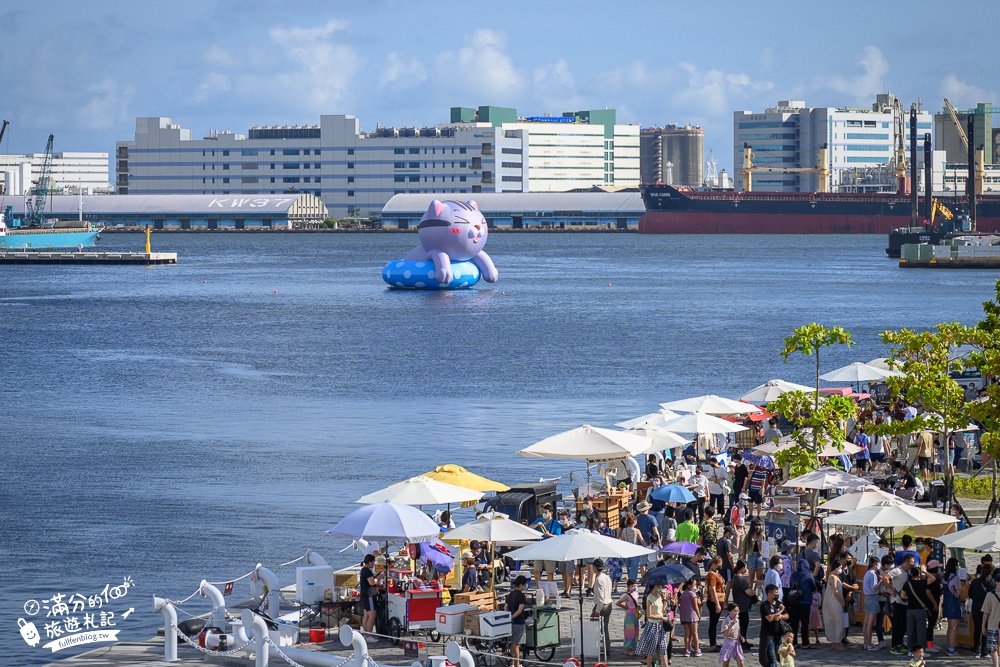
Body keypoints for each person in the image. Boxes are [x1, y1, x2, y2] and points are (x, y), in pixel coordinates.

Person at [637, 583, 671, 667]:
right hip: (653, 625)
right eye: (659, 585)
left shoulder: (659, 596)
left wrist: (665, 600)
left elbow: (662, 610)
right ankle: (649, 665)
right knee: (651, 649)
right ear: (655, 586)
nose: (660, 587)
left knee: (663, 647)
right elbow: (649, 615)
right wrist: (661, 617)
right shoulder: (649, 597)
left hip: (660, 625)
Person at [888, 552, 916, 655]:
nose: (913, 564)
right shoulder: (897, 570)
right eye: (912, 562)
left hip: (906, 602)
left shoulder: (908, 571)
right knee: (897, 625)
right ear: (906, 562)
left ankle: (900, 643)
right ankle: (894, 646)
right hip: (898, 601)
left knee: (903, 625)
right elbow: (885, 578)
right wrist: (892, 590)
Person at [529, 504, 562, 588]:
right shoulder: (540, 520)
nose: (544, 514)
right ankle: (538, 587)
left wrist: (549, 535)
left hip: (549, 549)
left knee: (550, 571)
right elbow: (529, 527)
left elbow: (559, 536)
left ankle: (550, 588)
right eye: (543, 512)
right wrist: (537, 525)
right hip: (539, 548)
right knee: (537, 570)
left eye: (546, 512)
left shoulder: (555, 523)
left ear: (551, 513)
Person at [728, 559, 755, 650]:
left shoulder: (735, 577)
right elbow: (748, 592)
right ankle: (742, 641)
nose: (746, 570)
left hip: (739, 604)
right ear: (742, 568)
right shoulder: (740, 579)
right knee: (743, 624)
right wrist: (754, 592)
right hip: (742, 606)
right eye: (745, 568)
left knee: (742, 624)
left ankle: (744, 640)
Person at [789, 559, 816, 649]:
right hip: (805, 602)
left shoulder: (793, 575)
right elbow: (814, 587)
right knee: (805, 623)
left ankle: (794, 642)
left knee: (794, 623)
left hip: (794, 601)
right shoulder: (808, 575)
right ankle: (805, 643)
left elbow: (790, 585)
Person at [760, 583, 788, 667]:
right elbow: (769, 618)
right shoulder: (765, 605)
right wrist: (780, 611)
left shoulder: (778, 603)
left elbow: (787, 615)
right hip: (768, 635)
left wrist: (781, 616)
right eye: (775, 593)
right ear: (769, 594)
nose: (777, 594)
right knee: (771, 658)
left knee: (777, 656)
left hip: (778, 635)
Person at [971, 564, 996, 658]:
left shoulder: (975, 581)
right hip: (988, 608)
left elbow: (970, 594)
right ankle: (984, 651)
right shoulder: (992, 582)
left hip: (976, 607)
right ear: (991, 572)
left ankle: (976, 650)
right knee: (986, 628)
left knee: (977, 629)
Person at [822, 559, 847, 650]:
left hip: (833, 600)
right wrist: (841, 601)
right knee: (838, 620)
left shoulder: (835, 576)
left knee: (835, 620)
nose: (841, 570)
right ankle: (837, 642)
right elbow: (835, 591)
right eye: (840, 568)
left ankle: (836, 641)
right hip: (834, 601)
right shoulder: (833, 577)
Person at [590, 559, 613, 657]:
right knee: (605, 629)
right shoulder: (607, 577)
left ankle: (593, 647)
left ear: (595, 567)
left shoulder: (599, 579)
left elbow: (600, 597)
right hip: (609, 604)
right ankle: (607, 649)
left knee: (593, 626)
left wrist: (597, 611)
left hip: (602, 606)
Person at [903, 566, 929, 653]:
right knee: (921, 631)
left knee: (910, 630)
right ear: (918, 574)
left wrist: (910, 597)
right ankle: (921, 651)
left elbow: (903, 596)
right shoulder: (921, 583)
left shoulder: (907, 583)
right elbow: (933, 578)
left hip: (910, 610)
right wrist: (924, 571)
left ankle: (911, 649)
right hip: (919, 610)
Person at [941, 557, 963, 655]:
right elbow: (958, 592)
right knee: (954, 627)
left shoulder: (944, 576)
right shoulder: (956, 578)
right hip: (954, 604)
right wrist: (965, 585)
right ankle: (951, 648)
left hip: (946, 603)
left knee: (949, 627)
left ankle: (948, 647)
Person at [359, 553, 384, 639]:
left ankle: (366, 633)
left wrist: (376, 577)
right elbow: (372, 582)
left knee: (366, 614)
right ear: (369, 562)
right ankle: (369, 635)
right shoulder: (368, 571)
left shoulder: (363, 570)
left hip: (364, 594)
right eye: (373, 562)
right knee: (372, 615)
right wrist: (379, 577)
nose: (374, 564)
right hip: (369, 595)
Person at [506, 575, 528, 667]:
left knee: (512, 644)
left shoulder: (510, 594)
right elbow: (520, 610)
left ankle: (511, 663)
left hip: (511, 624)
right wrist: (513, 617)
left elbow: (505, 607)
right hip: (519, 623)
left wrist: (509, 616)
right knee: (516, 646)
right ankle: (517, 665)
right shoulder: (522, 596)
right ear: (521, 585)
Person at [706, 556, 727, 652]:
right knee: (713, 624)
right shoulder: (711, 575)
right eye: (718, 564)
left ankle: (714, 643)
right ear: (713, 564)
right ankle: (712, 645)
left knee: (715, 623)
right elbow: (712, 590)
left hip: (720, 599)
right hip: (714, 601)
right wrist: (717, 604)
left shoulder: (716, 573)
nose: (720, 566)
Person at [862, 556, 883, 650]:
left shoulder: (867, 573)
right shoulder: (872, 574)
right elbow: (874, 588)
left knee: (866, 622)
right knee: (870, 623)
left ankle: (866, 642)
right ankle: (869, 643)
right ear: (875, 564)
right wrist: (881, 581)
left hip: (867, 598)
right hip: (872, 598)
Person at [616, 578, 641, 655]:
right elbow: (618, 603)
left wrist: (638, 606)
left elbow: (636, 601)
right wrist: (625, 607)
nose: (634, 587)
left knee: (636, 631)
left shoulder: (636, 593)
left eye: (635, 586)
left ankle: (633, 647)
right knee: (629, 632)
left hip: (635, 613)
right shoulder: (626, 595)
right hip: (629, 614)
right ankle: (628, 648)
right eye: (633, 586)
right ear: (628, 586)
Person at [619, 512, 646, 582]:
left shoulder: (624, 530)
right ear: (634, 522)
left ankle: (630, 580)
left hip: (627, 550)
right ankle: (632, 581)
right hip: (634, 550)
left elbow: (622, 540)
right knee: (634, 567)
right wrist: (647, 546)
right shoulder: (636, 530)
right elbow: (642, 541)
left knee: (628, 567)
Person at [679, 578, 702, 656]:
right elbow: (695, 606)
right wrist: (699, 615)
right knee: (695, 633)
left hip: (684, 616)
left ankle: (687, 650)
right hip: (692, 615)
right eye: (693, 585)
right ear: (688, 585)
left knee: (687, 634)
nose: (694, 586)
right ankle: (697, 649)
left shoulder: (683, 594)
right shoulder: (693, 594)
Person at [981, 572, 1000, 667]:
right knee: (993, 649)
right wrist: (983, 626)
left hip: (994, 625)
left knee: (994, 649)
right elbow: (986, 611)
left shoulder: (990, 595)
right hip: (993, 625)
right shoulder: (990, 595)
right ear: (996, 582)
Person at [720, 602, 746, 667]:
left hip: (737, 642)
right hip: (728, 642)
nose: (736, 613)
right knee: (726, 661)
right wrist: (731, 625)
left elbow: (737, 630)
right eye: (734, 611)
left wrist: (740, 636)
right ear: (729, 612)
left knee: (741, 661)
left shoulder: (737, 620)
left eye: (737, 611)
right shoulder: (726, 621)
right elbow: (725, 634)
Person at [924, 559, 942, 653]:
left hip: (935, 603)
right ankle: (929, 645)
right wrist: (934, 602)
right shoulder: (930, 580)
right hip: (930, 605)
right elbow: (928, 592)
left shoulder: (937, 578)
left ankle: (931, 643)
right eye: (938, 567)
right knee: (930, 625)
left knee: (932, 623)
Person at [741, 520, 765, 588]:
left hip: (760, 556)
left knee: (759, 577)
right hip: (751, 556)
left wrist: (761, 542)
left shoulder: (762, 536)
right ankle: (750, 590)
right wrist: (743, 561)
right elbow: (744, 549)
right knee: (751, 577)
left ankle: (758, 592)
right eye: (756, 525)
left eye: (759, 525)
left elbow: (765, 548)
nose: (757, 527)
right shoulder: (748, 536)